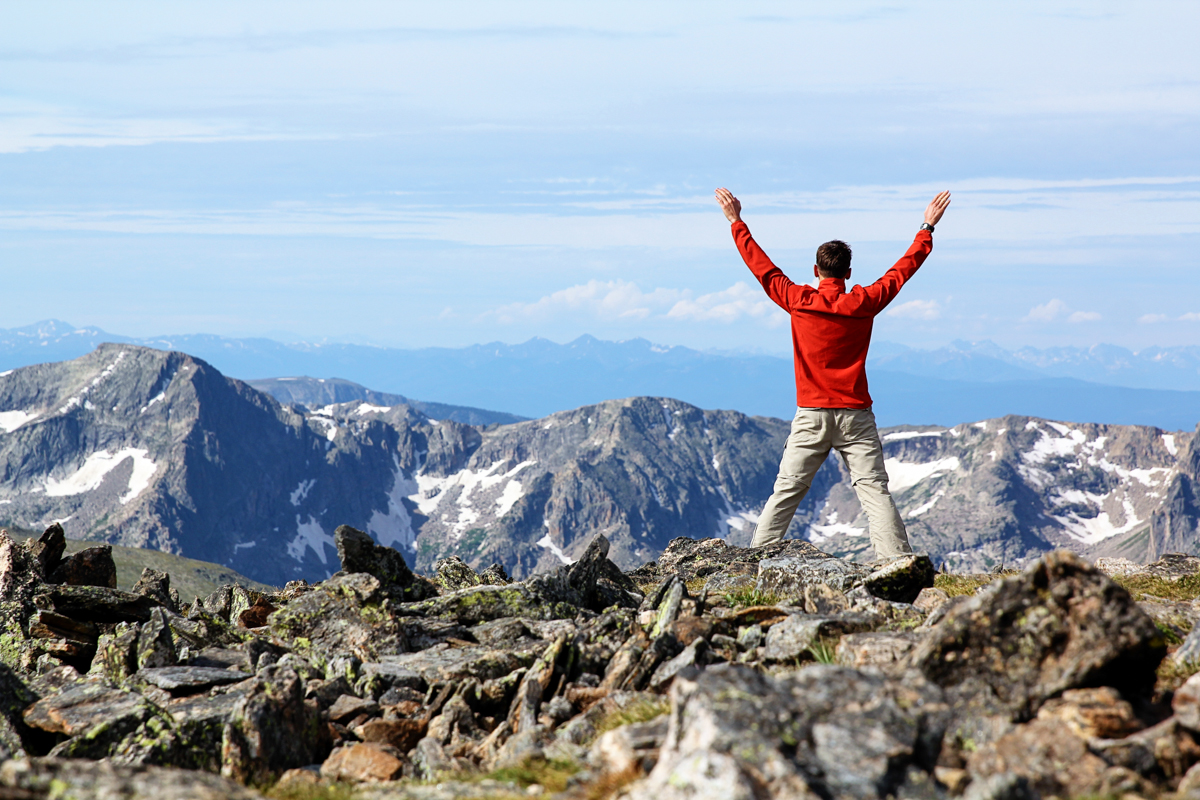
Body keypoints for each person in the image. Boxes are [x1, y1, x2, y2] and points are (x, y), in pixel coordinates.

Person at [714, 187, 951, 560]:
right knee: (874, 490)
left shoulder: (797, 300)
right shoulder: (863, 303)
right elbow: (902, 271)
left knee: (787, 490)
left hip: (811, 414)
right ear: (849, 273)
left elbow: (762, 267)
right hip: (855, 414)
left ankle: (754, 563)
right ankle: (898, 564)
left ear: (816, 270)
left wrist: (736, 221)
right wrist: (926, 228)